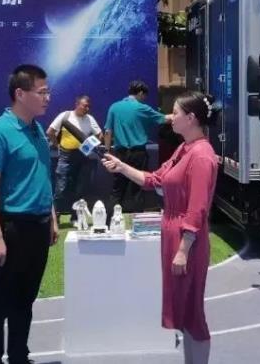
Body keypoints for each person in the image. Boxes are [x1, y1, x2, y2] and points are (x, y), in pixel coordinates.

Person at [101, 91, 219, 364]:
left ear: (191, 118)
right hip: (174, 232)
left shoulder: (201, 156)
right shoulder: (184, 149)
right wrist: (121, 167)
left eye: (175, 113)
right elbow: (154, 180)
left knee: (192, 313)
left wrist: (184, 249)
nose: (170, 118)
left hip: (186, 239)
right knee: (184, 312)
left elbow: (198, 207)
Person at [0, 64, 59, 364]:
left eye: (48, 91)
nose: (48, 98)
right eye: (42, 92)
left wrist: (51, 217)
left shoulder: (37, 130)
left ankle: (19, 357)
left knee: (26, 298)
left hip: (38, 226)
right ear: (20, 94)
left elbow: (42, 176)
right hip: (12, 227)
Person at [104, 80, 173, 217]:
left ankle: (108, 221)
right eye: (144, 95)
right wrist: (180, 114)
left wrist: (107, 151)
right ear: (141, 93)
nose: (144, 98)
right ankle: (138, 221)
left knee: (117, 189)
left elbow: (107, 131)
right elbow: (165, 119)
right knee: (138, 188)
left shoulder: (114, 107)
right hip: (138, 154)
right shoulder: (142, 108)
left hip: (120, 154)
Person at [46, 95, 102, 222]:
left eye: (88, 106)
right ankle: (56, 216)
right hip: (65, 156)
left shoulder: (90, 119)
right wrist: (57, 145)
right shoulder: (65, 116)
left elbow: (100, 135)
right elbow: (50, 132)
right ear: (77, 104)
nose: (87, 109)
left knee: (79, 188)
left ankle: (76, 216)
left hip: (82, 157)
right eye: (84, 106)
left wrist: (88, 146)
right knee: (61, 187)